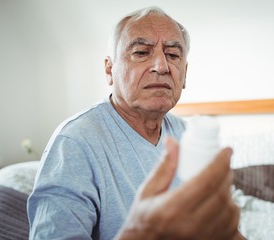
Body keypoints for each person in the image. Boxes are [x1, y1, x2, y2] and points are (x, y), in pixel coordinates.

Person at [27, 6, 245, 240]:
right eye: (141, 52)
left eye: (173, 55)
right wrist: (141, 233)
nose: (161, 67)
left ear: (185, 74)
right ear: (109, 70)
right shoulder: (75, 142)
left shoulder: (188, 135)